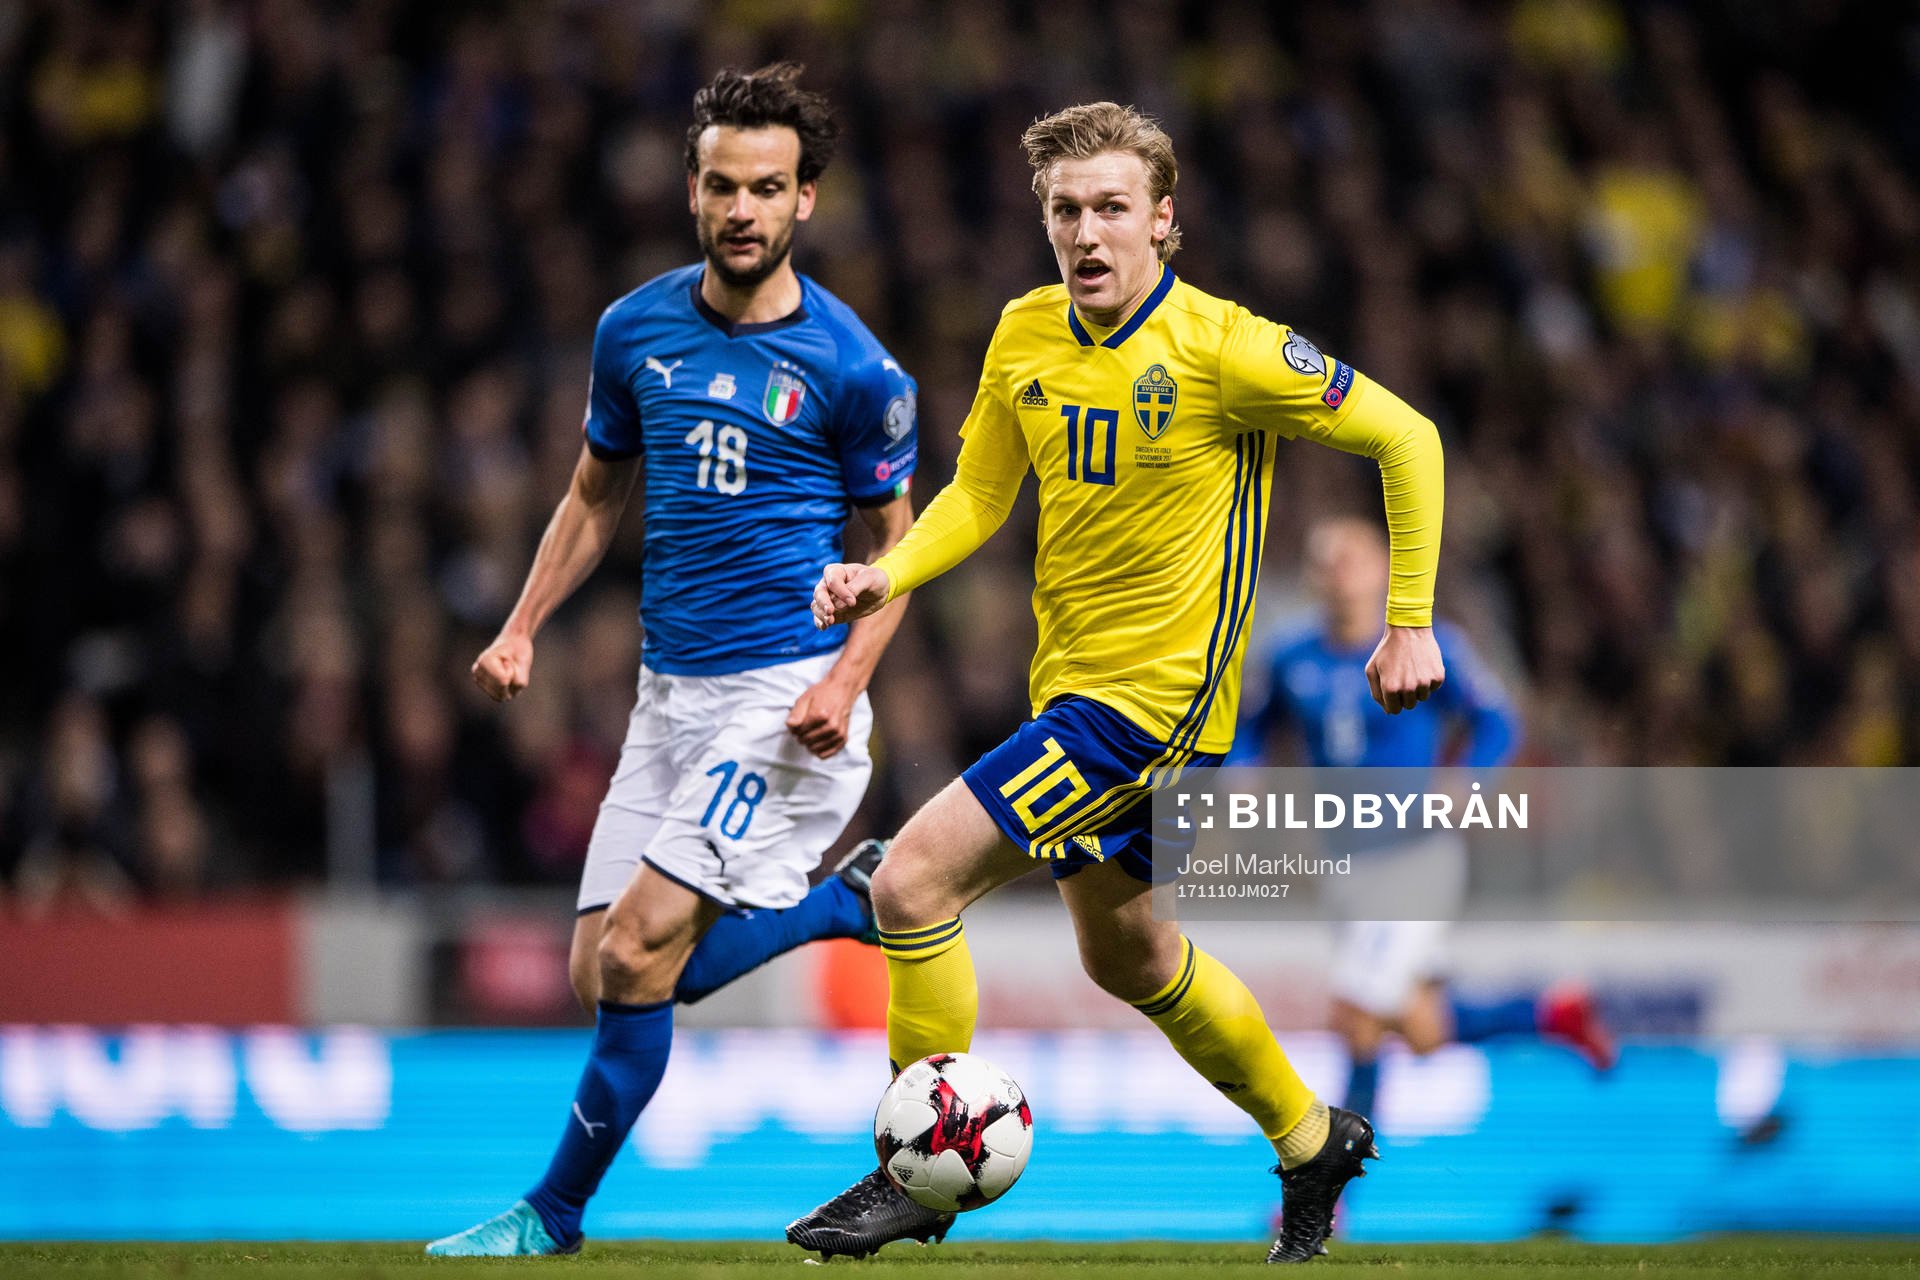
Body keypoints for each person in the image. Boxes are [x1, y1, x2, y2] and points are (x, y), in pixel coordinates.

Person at [787, 102, 1445, 1265]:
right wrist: (881, 577)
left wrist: (1406, 622)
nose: (1087, 233)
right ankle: (1312, 1140)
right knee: (1129, 954)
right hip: (1073, 694)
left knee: (913, 881)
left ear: (1164, 221)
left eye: (1111, 209)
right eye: (1065, 211)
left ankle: (915, 1175)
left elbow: (1408, 438)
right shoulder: (1025, 334)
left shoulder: (1227, 348)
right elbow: (979, 498)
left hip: (1157, 709)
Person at [425, 63, 920, 1257]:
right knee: (604, 972)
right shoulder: (632, 329)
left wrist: (842, 683)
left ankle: (553, 1215)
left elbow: (898, 554)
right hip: (668, 700)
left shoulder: (856, 366)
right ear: (691, 191)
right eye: (719, 185)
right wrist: (523, 622)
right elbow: (595, 495)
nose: (741, 208)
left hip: (780, 700)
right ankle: (842, 898)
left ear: (807, 200)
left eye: (766, 187)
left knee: (646, 946)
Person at [1231, 516, 1614, 1138]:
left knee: (1356, 1016)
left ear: (1384, 571)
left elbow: (1498, 720)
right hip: (1344, 864)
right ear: (1311, 576)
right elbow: (1251, 726)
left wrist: (1469, 779)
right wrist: (1242, 770)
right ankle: (1551, 1013)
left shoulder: (1423, 645)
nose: (1340, 574)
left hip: (1417, 855)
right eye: (1327, 562)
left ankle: (1327, 1192)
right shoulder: (1290, 656)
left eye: (1352, 559)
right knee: (1421, 1027)